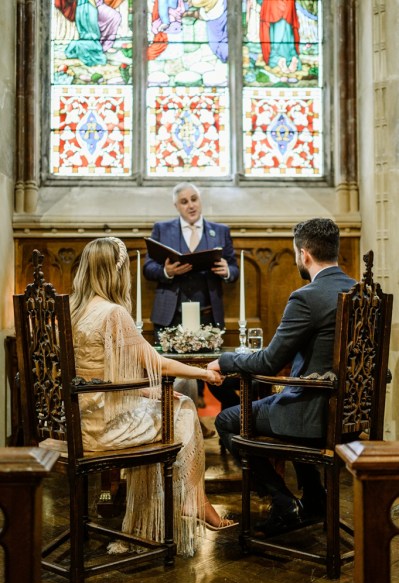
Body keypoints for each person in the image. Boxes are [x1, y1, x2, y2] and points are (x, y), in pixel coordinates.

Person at [70, 237, 237, 558]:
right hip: (104, 428)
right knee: (185, 407)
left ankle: (183, 504)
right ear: (115, 272)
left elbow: (98, 374)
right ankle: (194, 501)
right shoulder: (112, 313)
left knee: (171, 402)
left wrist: (148, 391)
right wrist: (204, 374)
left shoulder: (77, 311)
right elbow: (155, 362)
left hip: (80, 421)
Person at [207, 218, 356, 536]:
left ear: (304, 254)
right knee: (279, 399)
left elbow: (270, 361)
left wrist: (224, 360)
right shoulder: (358, 290)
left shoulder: (308, 297)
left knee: (227, 421)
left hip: (312, 414)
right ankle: (315, 498)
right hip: (346, 412)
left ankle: (284, 503)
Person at [143, 182, 241, 426]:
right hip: (171, 314)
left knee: (214, 373)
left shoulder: (219, 231)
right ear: (176, 206)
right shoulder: (162, 229)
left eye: (194, 199)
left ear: (200, 200)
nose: (190, 205)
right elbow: (148, 267)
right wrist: (166, 270)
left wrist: (227, 270)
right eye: (184, 202)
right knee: (171, 373)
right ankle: (174, 426)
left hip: (208, 314)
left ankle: (225, 424)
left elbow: (235, 268)